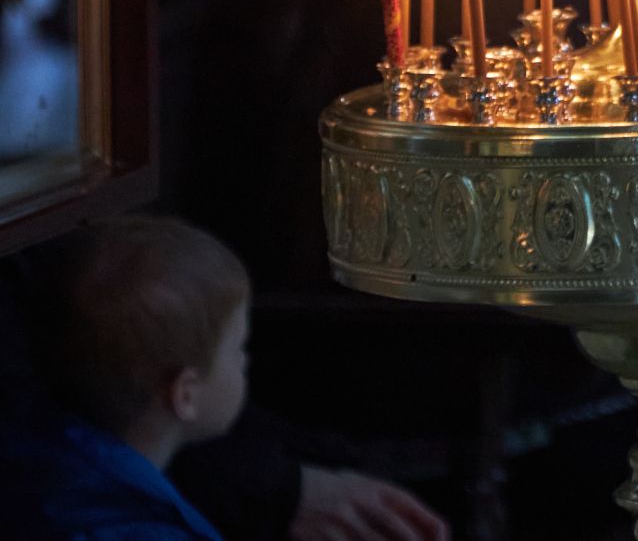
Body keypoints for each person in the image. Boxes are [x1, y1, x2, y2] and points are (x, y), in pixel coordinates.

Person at [0, 215, 447, 541]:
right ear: (185, 395)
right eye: (238, 349)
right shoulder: (139, 528)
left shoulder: (39, 464)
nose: (245, 363)